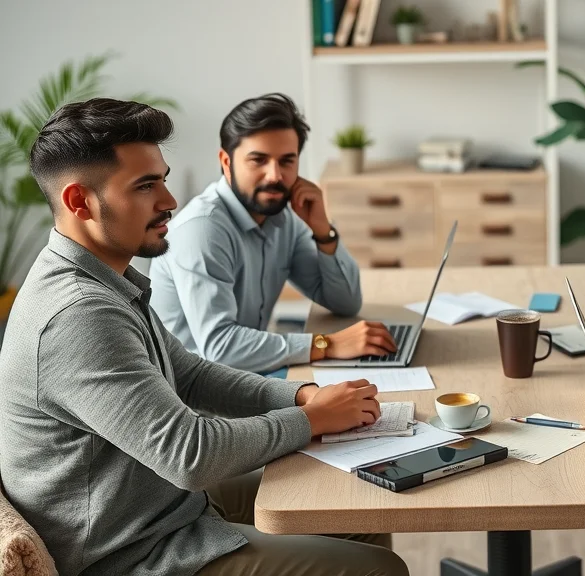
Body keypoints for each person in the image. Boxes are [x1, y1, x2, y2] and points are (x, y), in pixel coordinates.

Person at [0, 98, 407, 576]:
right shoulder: (77, 315)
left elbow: (190, 375)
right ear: (78, 201)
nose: (169, 200)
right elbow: (191, 455)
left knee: (357, 497)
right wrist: (309, 419)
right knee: (379, 569)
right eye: (146, 186)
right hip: (131, 551)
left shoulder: (106, 280)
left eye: (163, 179)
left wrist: (300, 393)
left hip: (155, 505)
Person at [149, 93, 396, 375]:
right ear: (226, 162)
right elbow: (220, 348)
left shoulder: (283, 218)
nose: (275, 176)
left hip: (249, 375)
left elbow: (345, 303)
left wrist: (322, 229)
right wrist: (328, 344)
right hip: (199, 401)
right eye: (259, 160)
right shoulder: (202, 229)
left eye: (287, 161)